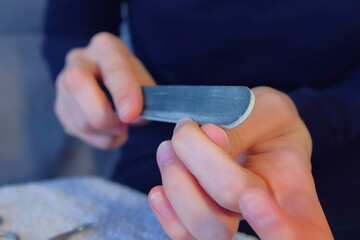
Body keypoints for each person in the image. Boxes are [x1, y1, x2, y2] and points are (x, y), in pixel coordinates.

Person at [43, 1, 360, 239]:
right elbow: (69, 29)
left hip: (334, 167)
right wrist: (85, 73)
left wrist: (304, 116)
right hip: (160, 158)